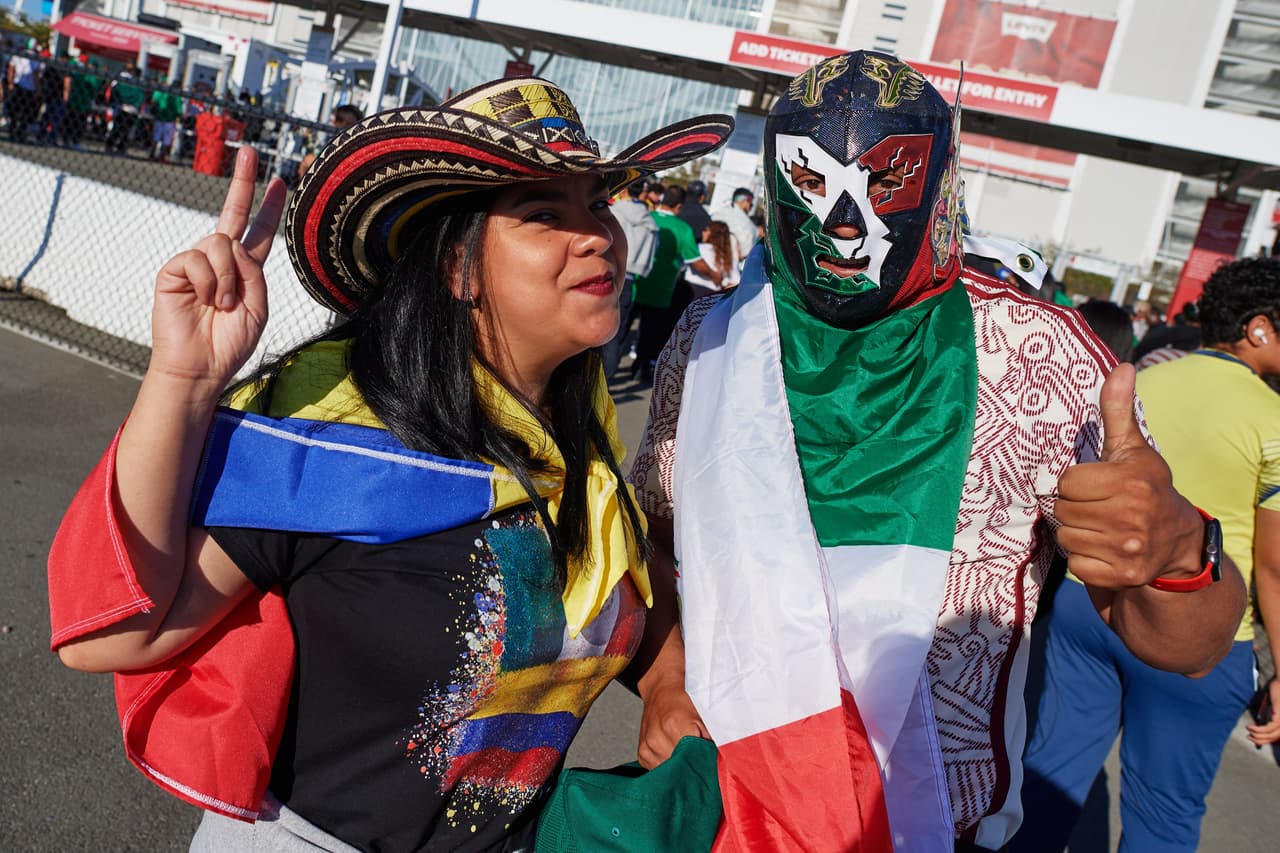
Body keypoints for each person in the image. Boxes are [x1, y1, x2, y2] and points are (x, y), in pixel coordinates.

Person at [47, 77, 731, 850]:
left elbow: (633, 576)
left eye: (598, 202)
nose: (598, 234)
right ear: (458, 267)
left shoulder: (584, 459)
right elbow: (112, 638)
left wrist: (666, 682)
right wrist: (184, 380)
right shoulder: (339, 444)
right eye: (546, 213)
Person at [626, 50, 1245, 852]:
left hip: (929, 828)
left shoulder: (1039, 356)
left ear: (942, 183)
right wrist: (664, 676)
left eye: (885, 180)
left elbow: (1192, 644)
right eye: (810, 181)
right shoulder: (711, 335)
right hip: (724, 808)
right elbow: (656, 541)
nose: (844, 220)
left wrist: (1181, 549)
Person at [1015, 256, 1280, 853]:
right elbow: (1273, 568)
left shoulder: (1137, 379)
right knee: (1164, 813)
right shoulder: (1275, 420)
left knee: (1049, 772)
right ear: (1260, 328)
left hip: (1089, 603)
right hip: (1201, 623)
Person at [630, 185, 721, 384]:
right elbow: (695, 261)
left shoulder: (646, 216)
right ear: (678, 206)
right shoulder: (682, 229)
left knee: (623, 328)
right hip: (660, 289)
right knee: (650, 332)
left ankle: (607, 372)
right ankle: (640, 369)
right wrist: (715, 274)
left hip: (634, 282)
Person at [601, 178, 659, 379]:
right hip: (630, 278)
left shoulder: (613, 211)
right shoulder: (649, 220)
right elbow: (653, 249)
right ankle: (606, 379)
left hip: (606, 271)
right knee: (616, 330)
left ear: (625, 190)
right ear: (643, 193)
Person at [683, 220, 740, 299]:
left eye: (705, 230)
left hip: (690, 290)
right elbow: (736, 282)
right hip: (712, 296)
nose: (703, 232)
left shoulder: (698, 248)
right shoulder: (729, 258)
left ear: (711, 233)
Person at [4, 40, 40, 144]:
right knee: (25, 112)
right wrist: (38, 89)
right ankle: (19, 132)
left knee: (15, 110)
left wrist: (10, 82)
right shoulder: (33, 57)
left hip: (18, 86)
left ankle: (13, 130)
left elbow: (11, 68)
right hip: (28, 88)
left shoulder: (19, 54)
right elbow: (36, 75)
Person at [104, 64, 144, 155]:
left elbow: (115, 91)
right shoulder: (135, 84)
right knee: (124, 131)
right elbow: (140, 99)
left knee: (118, 130)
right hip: (130, 110)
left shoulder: (126, 82)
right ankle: (119, 148)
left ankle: (111, 147)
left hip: (123, 108)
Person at [711, 186, 757, 261]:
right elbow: (746, 253)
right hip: (728, 263)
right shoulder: (747, 224)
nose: (750, 208)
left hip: (707, 256)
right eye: (750, 204)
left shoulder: (717, 214)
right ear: (745, 201)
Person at [149, 82, 184, 163]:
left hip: (161, 118)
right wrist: (179, 116)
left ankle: (152, 154)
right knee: (166, 139)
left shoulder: (162, 92)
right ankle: (161, 156)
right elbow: (179, 111)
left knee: (156, 137)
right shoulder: (176, 96)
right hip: (169, 120)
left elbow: (154, 100)